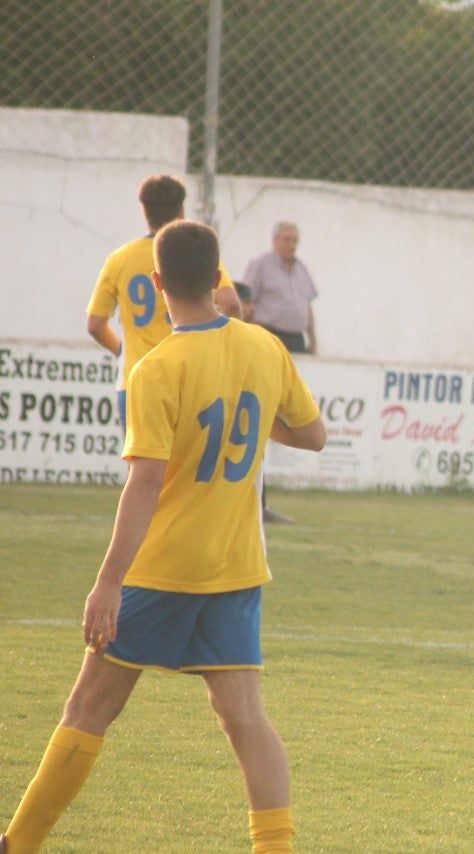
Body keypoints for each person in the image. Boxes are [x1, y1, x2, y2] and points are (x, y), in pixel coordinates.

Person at [3, 221, 326, 854]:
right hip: (236, 570)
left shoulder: (157, 368)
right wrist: (258, 421)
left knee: (88, 709)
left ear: (155, 284)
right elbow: (313, 436)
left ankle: (20, 844)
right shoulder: (265, 348)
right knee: (246, 719)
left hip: (164, 570)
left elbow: (144, 485)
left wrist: (107, 583)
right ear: (218, 279)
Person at [86, 174, 242, 430]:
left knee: (143, 466)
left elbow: (94, 325)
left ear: (144, 210)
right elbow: (231, 303)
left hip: (136, 380)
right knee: (186, 468)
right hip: (190, 379)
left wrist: (121, 351)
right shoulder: (194, 252)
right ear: (181, 210)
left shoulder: (120, 258)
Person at [241, 221, 318, 355]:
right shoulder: (260, 265)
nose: (291, 245)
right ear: (275, 240)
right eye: (287, 240)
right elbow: (245, 300)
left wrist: (313, 339)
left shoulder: (301, 269)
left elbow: (307, 306)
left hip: (297, 339)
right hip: (270, 335)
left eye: (295, 241)